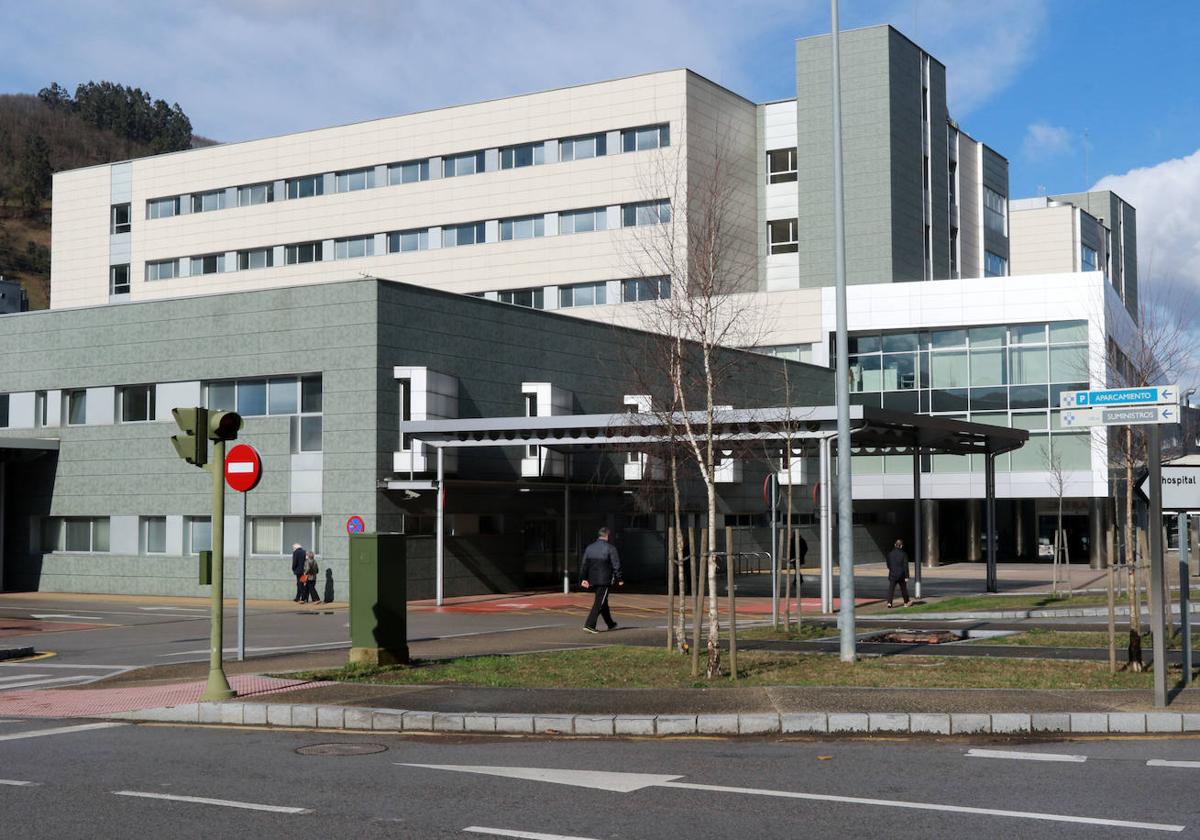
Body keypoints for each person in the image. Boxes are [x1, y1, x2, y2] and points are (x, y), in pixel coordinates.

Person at [580, 526, 623, 633]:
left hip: (593, 580)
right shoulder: (610, 548)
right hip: (605, 580)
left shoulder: (589, 548)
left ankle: (610, 624)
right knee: (599, 602)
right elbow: (616, 565)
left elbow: (584, 564)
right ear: (607, 536)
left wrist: (583, 578)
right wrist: (620, 578)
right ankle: (589, 624)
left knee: (603, 601)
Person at [885, 538, 912, 608]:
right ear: (901, 546)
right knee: (903, 589)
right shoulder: (903, 554)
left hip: (892, 574)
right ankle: (906, 602)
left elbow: (888, 564)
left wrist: (892, 569)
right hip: (901, 575)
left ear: (895, 545)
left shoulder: (890, 554)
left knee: (891, 589)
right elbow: (905, 566)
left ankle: (889, 603)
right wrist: (907, 576)